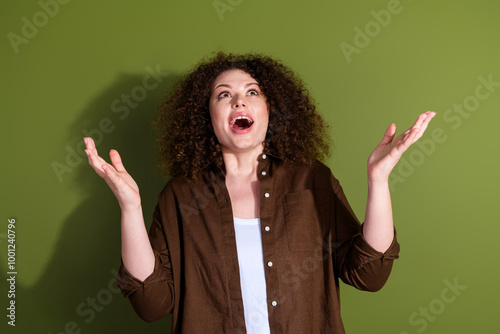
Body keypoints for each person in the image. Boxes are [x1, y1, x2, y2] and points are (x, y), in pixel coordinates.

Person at [84, 52, 435, 333]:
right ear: (207, 115)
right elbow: (151, 304)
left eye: (252, 92)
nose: (239, 102)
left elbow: (370, 275)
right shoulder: (180, 195)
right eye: (224, 95)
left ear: (271, 110)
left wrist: (379, 179)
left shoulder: (312, 180)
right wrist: (130, 208)